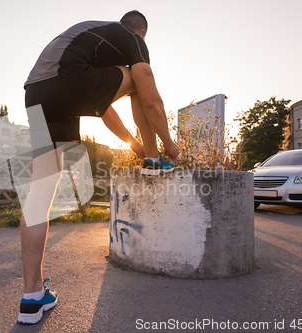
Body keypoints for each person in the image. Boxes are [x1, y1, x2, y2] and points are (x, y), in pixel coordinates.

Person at [17, 10, 180, 325]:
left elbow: (103, 109)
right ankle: (152, 159)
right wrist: (168, 146)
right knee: (140, 81)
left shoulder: (96, 44)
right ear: (142, 33)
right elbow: (149, 98)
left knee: (40, 192)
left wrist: (131, 143)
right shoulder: (132, 39)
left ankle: (32, 297)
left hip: (36, 94)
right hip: (67, 79)